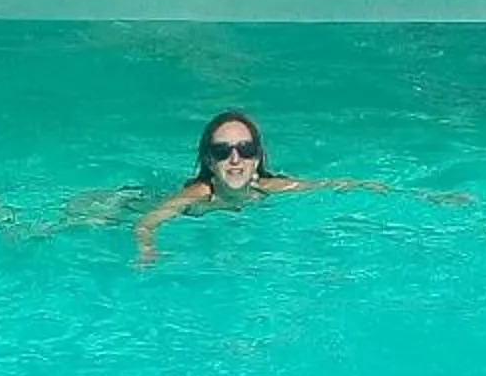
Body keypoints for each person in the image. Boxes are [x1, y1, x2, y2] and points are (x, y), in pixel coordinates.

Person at [130, 112, 388, 264]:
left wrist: (367, 186)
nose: (235, 160)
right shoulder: (198, 194)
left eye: (245, 149)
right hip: (140, 202)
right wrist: (147, 249)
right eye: (222, 151)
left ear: (256, 158)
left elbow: (327, 185)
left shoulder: (269, 188)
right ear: (209, 160)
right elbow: (146, 222)